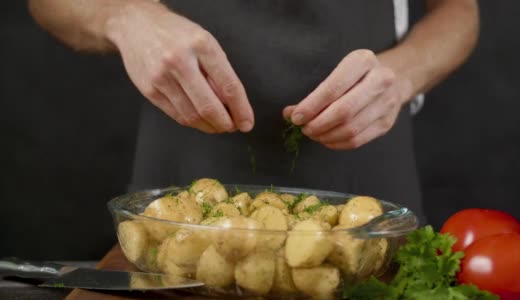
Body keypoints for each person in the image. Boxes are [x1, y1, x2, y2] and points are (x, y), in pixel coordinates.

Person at [28, 0, 479, 221]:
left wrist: (403, 73)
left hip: (369, 203)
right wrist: (124, 16)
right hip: (180, 208)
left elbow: (459, 11)